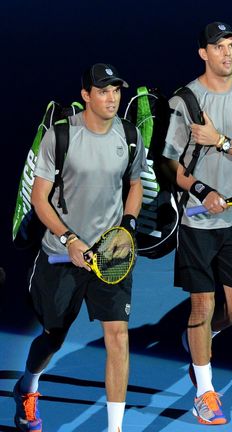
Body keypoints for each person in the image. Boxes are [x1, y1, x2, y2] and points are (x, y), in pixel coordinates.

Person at [13, 63, 146, 432]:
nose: (112, 98)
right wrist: (70, 239)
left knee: (118, 336)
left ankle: (115, 428)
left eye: (116, 90)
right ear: (86, 95)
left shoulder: (130, 135)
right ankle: (28, 386)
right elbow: (40, 199)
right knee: (53, 337)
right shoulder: (60, 137)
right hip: (61, 255)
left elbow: (135, 184)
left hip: (110, 255)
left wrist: (127, 226)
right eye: (103, 91)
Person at [162, 21, 232, 425]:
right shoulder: (184, 101)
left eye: (231, 45)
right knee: (202, 304)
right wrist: (202, 190)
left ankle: (201, 340)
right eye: (219, 47)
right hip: (197, 223)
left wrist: (220, 141)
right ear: (203, 54)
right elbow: (170, 165)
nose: (227, 53)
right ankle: (204, 393)